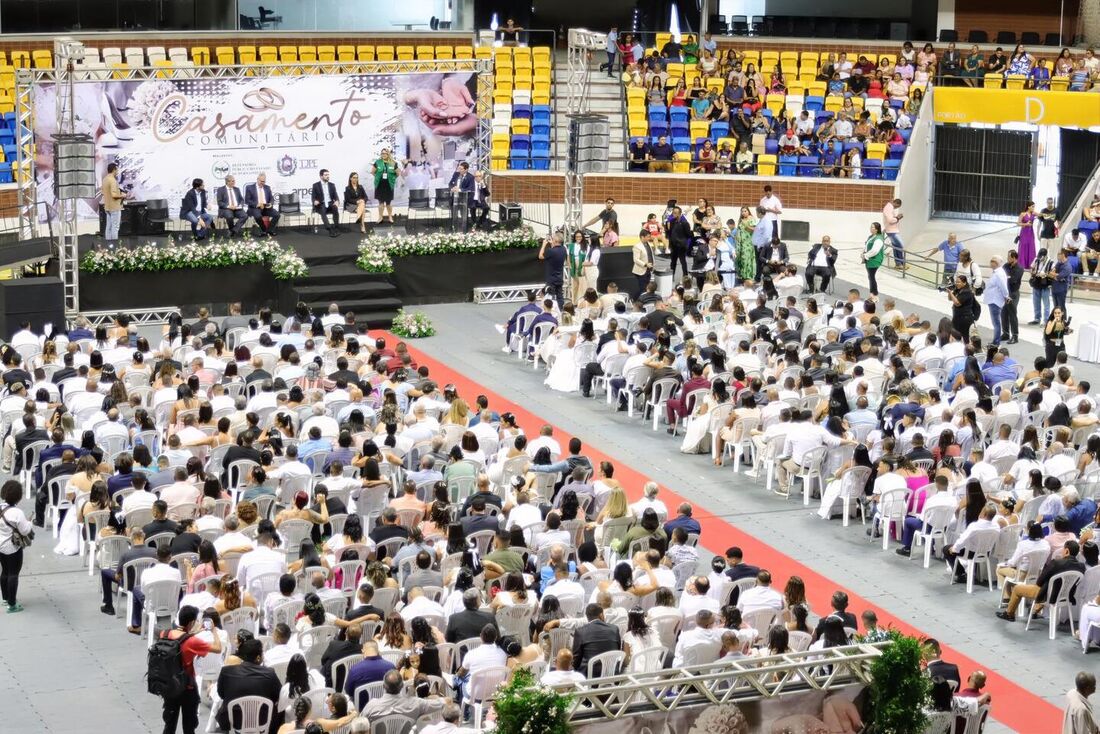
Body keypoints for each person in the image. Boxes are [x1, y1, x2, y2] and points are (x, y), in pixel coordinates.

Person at [159, 605, 222, 734]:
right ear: (192, 622)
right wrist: (214, 630)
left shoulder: (165, 633)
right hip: (186, 687)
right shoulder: (192, 642)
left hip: (169, 685)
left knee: (169, 725)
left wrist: (194, 632)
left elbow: (181, 637)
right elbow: (218, 648)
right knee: (189, 727)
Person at [214, 638, 281, 732]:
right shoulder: (269, 673)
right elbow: (277, 697)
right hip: (262, 720)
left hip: (234, 721)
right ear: (258, 657)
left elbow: (221, 694)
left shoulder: (226, 671)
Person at [0, 479, 32, 613]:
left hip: (0, 546)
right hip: (12, 548)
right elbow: (25, 531)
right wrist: (30, 523)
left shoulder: (1, 507)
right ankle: (12, 604)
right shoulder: (17, 513)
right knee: (13, 573)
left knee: (5, 571)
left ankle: (6, 597)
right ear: (18, 497)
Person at [371, 148, 402, 225]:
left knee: (388, 203)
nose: (383, 155)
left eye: (385, 153)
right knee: (380, 202)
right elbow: (372, 172)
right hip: (380, 185)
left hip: (389, 185)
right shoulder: (377, 162)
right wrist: (378, 177)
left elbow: (398, 173)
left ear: (388, 154)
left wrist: (393, 178)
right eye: (382, 153)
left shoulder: (393, 163)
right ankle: (380, 217)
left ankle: (390, 217)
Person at [244, 173, 280, 237]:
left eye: (264, 181)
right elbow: (247, 200)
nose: (262, 183)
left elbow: (271, 198)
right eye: (261, 181)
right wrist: (256, 204)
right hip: (255, 208)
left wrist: (271, 204)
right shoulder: (249, 188)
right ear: (257, 180)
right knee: (258, 216)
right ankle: (264, 230)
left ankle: (269, 230)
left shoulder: (267, 187)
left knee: (277, 215)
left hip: (266, 207)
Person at [984, 256, 1009, 346]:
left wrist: (1006, 296)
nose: (991, 263)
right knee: (995, 322)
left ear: (997, 263)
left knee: (996, 322)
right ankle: (996, 340)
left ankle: (996, 342)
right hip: (992, 299)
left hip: (995, 300)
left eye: (993, 261)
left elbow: (1003, 286)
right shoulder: (996, 273)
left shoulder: (999, 274)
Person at [100, 162, 127, 246]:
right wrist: (123, 195)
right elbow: (114, 195)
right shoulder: (112, 180)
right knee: (115, 228)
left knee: (109, 227)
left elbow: (102, 192)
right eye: (117, 169)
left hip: (107, 207)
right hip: (115, 207)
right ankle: (114, 246)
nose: (118, 171)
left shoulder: (105, 179)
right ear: (114, 170)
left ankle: (108, 246)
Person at [538, 233, 567, 309]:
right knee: (560, 296)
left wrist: (544, 244)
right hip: (559, 277)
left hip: (551, 278)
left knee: (549, 296)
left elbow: (540, 256)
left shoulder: (551, 251)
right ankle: (560, 310)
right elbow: (554, 252)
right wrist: (552, 244)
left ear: (555, 240)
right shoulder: (564, 249)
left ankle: (549, 311)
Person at [1002, 249, 1024, 345]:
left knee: (1012, 314)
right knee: (1003, 314)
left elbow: (1013, 280)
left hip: (1013, 294)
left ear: (1014, 258)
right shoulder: (1005, 266)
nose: (1007, 259)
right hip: (1005, 293)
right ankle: (1005, 333)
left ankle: (1015, 336)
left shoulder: (1019, 268)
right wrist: (1007, 277)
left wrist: (1007, 277)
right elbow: (1001, 276)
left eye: (1009, 257)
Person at [311, 169, 341, 237]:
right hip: (321, 204)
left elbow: (335, 196)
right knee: (322, 211)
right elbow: (313, 197)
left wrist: (337, 201)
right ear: (321, 176)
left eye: (328, 175)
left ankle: (336, 228)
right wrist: (314, 201)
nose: (328, 176)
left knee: (335, 208)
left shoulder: (332, 185)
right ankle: (330, 229)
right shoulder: (316, 185)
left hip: (330, 203)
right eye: (326, 175)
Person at [1030, 247, 1054, 324]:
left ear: (1046, 255)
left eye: (1042, 256)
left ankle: (1046, 320)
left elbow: (1053, 274)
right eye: (1039, 256)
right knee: (1036, 302)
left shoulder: (1051, 262)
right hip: (1036, 284)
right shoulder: (1036, 259)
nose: (1040, 258)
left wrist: (1045, 274)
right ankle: (1037, 319)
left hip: (1045, 285)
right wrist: (1033, 272)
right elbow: (1031, 268)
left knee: (1046, 304)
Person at [948, 274, 977, 340]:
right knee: (954, 334)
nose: (957, 283)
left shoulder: (967, 292)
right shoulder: (958, 289)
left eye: (958, 282)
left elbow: (957, 303)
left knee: (964, 336)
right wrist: (949, 292)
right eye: (956, 282)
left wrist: (951, 293)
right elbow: (950, 299)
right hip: (957, 317)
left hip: (965, 318)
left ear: (964, 283)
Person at [862, 222, 886, 296]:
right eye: (871, 227)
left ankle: (874, 294)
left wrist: (866, 255)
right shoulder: (871, 236)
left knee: (871, 277)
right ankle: (872, 293)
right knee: (870, 276)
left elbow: (875, 250)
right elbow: (867, 245)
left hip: (874, 260)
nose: (871, 228)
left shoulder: (878, 238)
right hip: (869, 259)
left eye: (872, 227)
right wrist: (863, 253)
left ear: (876, 229)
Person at [632, 229, 656, 298]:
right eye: (648, 237)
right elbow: (636, 259)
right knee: (643, 289)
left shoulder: (648, 244)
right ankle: (638, 300)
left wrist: (653, 264)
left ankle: (636, 299)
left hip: (649, 270)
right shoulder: (637, 246)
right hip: (641, 271)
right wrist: (645, 264)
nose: (649, 238)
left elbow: (650, 255)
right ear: (642, 237)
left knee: (646, 288)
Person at [882, 198, 904, 269]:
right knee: (899, 246)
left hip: (892, 230)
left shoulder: (890, 208)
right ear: (896, 203)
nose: (896, 208)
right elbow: (890, 220)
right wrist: (898, 218)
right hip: (892, 231)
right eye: (897, 206)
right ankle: (900, 264)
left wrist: (897, 218)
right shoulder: (889, 208)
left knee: (896, 247)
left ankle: (899, 264)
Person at [1017, 201, 1037, 268]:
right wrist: (1026, 224)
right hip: (1024, 232)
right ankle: (1022, 264)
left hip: (1030, 232)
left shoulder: (1033, 213)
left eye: (1034, 206)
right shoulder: (1023, 214)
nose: (1033, 208)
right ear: (1028, 207)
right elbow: (1018, 223)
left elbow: (1040, 214)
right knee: (1023, 247)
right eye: (1032, 206)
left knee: (1031, 247)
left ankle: (1030, 264)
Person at [1052, 248, 1073, 313]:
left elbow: (1058, 276)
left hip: (1061, 290)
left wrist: (1053, 274)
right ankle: (1056, 321)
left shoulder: (1067, 266)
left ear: (1063, 255)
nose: (1057, 255)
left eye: (1059, 254)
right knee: (1055, 307)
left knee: (1061, 307)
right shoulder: (1059, 262)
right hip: (1054, 288)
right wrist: (1054, 274)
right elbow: (1052, 271)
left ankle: (1063, 321)